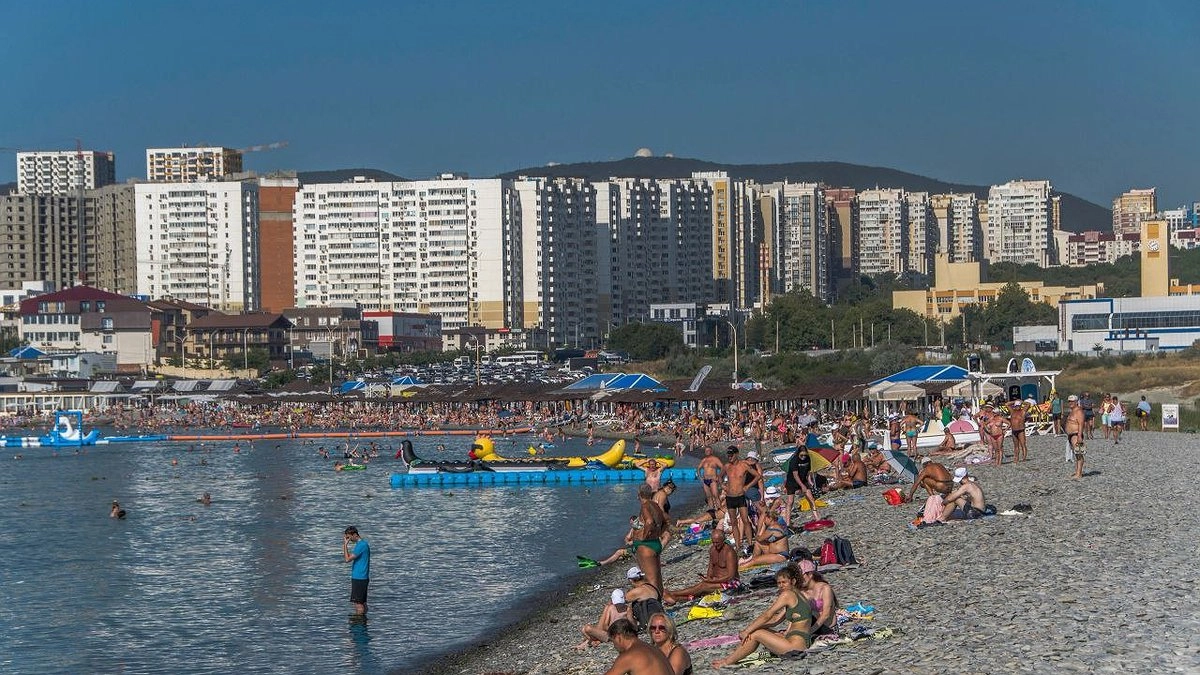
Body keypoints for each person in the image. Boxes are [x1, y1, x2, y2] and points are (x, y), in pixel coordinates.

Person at [712, 564, 813, 668]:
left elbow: (767, 615)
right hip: (801, 642)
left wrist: (747, 631)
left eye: (784, 582)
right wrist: (753, 628)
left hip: (794, 646)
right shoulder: (799, 595)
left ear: (793, 581)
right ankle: (729, 659)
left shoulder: (788, 594)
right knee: (756, 631)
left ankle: (727, 662)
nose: (781, 586)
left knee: (756, 634)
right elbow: (776, 620)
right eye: (779, 583)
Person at [665, 528, 739, 603]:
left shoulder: (729, 553)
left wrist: (712, 581)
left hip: (731, 583)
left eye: (717, 543)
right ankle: (675, 598)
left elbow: (731, 576)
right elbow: (711, 568)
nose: (715, 545)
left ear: (723, 540)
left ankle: (673, 593)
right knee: (700, 591)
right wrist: (709, 578)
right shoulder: (712, 550)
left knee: (703, 586)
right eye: (713, 542)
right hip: (717, 581)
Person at [630, 484, 668, 601]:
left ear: (639, 494)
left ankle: (654, 605)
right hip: (655, 543)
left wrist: (644, 537)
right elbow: (666, 520)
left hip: (646, 546)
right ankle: (659, 603)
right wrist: (659, 533)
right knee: (657, 578)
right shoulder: (655, 505)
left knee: (650, 580)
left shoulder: (645, 506)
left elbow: (649, 521)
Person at [603, 618, 674, 675]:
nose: (614, 646)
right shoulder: (655, 649)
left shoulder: (629, 655)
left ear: (618, 637)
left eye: (613, 641)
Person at [722, 446, 758, 556]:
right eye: (728, 455)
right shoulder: (727, 466)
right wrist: (723, 486)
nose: (730, 457)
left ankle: (750, 544)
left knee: (745, 520)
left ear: (736, 454)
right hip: (730, 497)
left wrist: (747, 486)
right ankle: (738, 545)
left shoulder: (743, 465)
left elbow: (758, 476)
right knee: (733, 522)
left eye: (731, 455)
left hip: (740, 496)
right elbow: (719, 477)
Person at [796, 559, 838, 637]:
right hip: (812, 629)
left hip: (828, 629)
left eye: (801, 576)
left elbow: (826, 614)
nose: (799, 579)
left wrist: (811, 631)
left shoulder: (824, 588)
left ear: (810, 575)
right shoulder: (801, 592)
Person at [783, 447, 821, 524]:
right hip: (792, 482)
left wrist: (809, 481)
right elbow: (795, 475)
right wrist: (802, 486)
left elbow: (808, 471)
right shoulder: (794, 460)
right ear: (798, 454)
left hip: (803, 480)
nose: (803, 457)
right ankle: (788, 523)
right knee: (790, 502)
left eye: (805, 455)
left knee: (811, 498)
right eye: (802, 455)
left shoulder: (808, 459)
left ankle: (817, 517)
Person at [343, 526, 370, 615]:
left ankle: (359, 621)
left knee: (358, 604)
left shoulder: (361, 545)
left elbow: (347, 559)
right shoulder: (362, 544)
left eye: (349, 537)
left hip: (359, 578)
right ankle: (364, 620)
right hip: (362, 577)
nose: (349, 540)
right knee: (362, 602)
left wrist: (345, 545)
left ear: (355, 535)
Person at [695, 446, 724, 511]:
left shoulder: (715, 459)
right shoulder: (704, 460)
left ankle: (720, 510)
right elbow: (698, 468)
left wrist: (719, 476)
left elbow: (722, 467)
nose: (707, 452)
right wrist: (700, 477)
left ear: (711, 451)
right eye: (706, 451)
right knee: (708, 496)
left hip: (713, 480)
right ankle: (711, 510)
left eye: (708, 450)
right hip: (705, 480)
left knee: (715, 495)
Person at [1065, 394, 1086, 480]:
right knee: (1076, 454)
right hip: (1071, 436)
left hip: (1076, 435)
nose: (1070, 403)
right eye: (1069, 401)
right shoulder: (1072, 411)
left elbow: (1081, 424)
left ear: (1076, 402)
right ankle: (1077, 472)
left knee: (1079, 454)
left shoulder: (1079, 411)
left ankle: (1079, 473)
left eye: (1072, 401)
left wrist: (1079, 436)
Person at [1008, 397, 1028, 463]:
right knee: (1016, 446)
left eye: (1018, 406)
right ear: (1014, 406)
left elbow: (1028, 404)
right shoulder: (1012, 411)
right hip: (1014, 430)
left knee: (1023, 444)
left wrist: (1021, 402)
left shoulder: (1023, 411)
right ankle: (1016, 458)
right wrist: (1014, 401)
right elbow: (1007, 404)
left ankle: (1024, 458)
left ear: (1020, 406)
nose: (1017, 407)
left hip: (1021, 430)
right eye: (1016, 406)